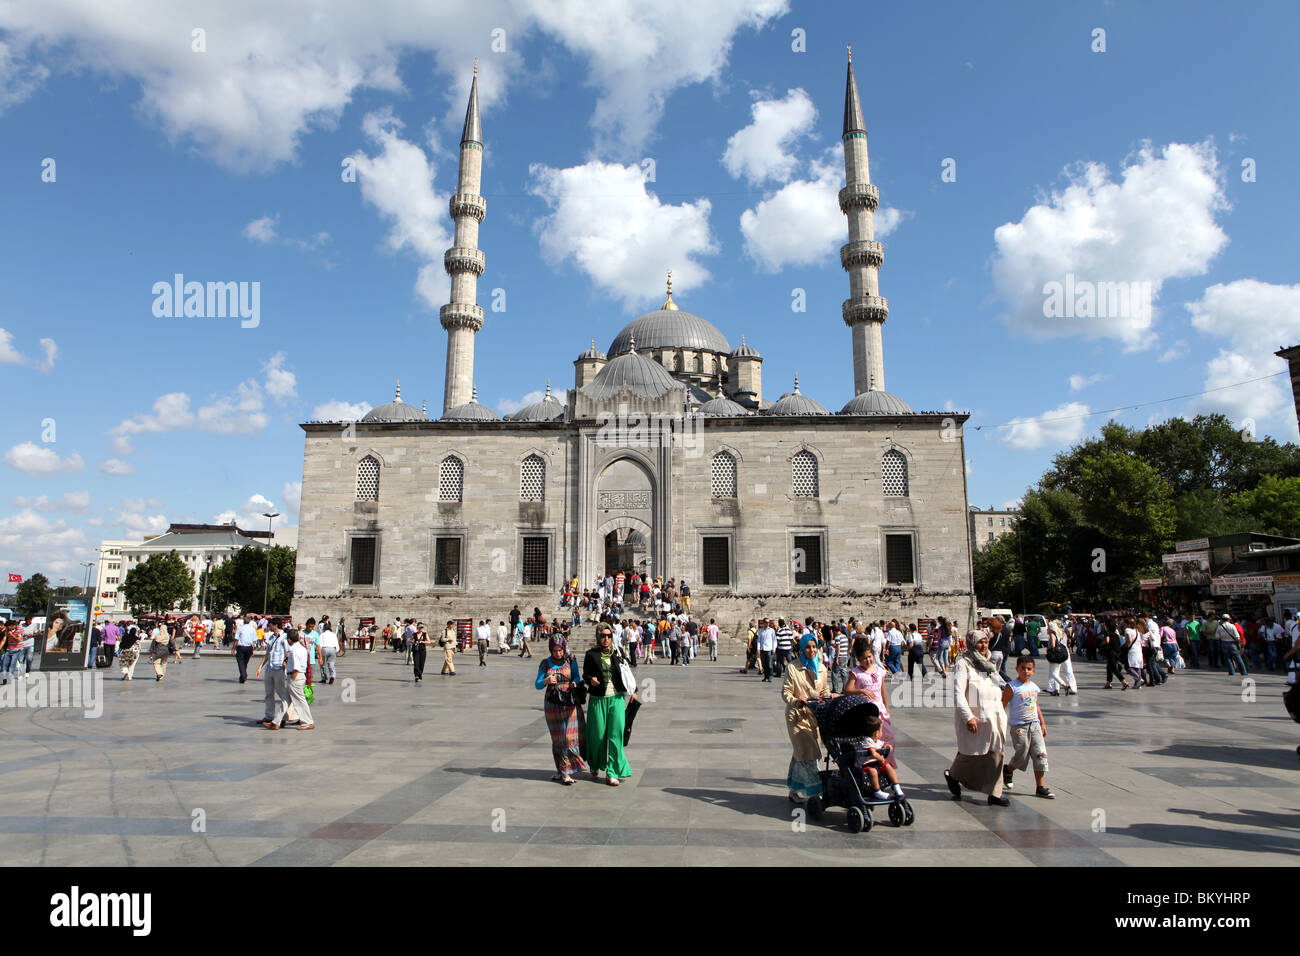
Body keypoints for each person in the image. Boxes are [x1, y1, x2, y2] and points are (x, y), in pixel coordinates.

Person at [944, 631, 1011, 806]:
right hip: (976, 717)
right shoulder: (963, 664)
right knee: (970, 755)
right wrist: (968, 717)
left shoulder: (989, 664)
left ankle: (995, 794)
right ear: (972, 644)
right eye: (980, 643)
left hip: (994, 717)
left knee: (997, 754)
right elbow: (958, 693)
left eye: (985, 642)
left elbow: (999, 685)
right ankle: (953, 776)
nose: (983, 646)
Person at [782, 633, 835, 803]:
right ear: (802, 649)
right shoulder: (793, 667)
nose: (811, 650)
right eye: (808, 647)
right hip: (797, 716)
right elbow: (786, 692)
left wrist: (829, 696)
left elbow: (824, 690)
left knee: (801, 752)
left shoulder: (821, 668)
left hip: (814, 716)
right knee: (810, 754)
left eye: (814, 647)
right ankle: (816, 793)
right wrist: (797, 701)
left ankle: (795, 790)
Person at [582, 624, 635, 786]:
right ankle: (595, 763)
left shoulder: (617, 652)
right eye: (603, 636)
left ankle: (612, 772)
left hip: (616, 698)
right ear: (598, 637)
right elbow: (585, 673)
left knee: (615, 735)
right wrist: (590, 679)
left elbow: (627, 671)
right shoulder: (591, 654)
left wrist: (634, 690)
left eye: (609, 636)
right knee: (597, 735)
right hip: (598, 699)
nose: (606, 639)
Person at [536, 635, 587, 785]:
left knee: (567, 737)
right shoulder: (545, 664)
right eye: (555, 650)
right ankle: (559, 770)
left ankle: (566, 772)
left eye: (560, 650)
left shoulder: (571, 660)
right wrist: (546, 680)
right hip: (552, 703)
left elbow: (577, 676)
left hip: (568, 701)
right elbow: (538, 684)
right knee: (557, 738)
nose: (558, 653)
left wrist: (574, 683)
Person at [1002, 654, 1054, 798]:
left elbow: (1036, 706)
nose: (1026, 671)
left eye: (1029, 669)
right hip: (1019, 726)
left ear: (1033, 671)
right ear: (1017, 669)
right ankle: (1008, 769)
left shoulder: (1034, 687)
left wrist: (1042, 723)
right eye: (1023, 668)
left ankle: (1040, 787)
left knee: (1040, 754)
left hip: (1034, 724)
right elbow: (1002, 704)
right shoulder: (1011, 687)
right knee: (1022, 753)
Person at [843, 639, 895, 768]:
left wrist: (886, 710)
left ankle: (887, 766)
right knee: (871, 740)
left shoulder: (879, 670)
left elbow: (883, 692)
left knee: (887, 738)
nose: (868, 660)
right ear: (859, 659)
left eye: (869, 657)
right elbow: (847, 690)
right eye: (864, 658)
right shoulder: (856, 673)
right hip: (866, 711)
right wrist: (860, 690)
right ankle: (872, 765)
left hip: (880, 709)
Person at [861, 714, 904, 802]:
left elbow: (883, 744)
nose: (882, 733)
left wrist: (887, 746)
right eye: (881, 731)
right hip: (867, 765)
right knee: (873, 772)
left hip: (876, 763)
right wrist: (880, 758)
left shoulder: (876, 741)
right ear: (876, 733)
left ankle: (896, 787)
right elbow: (873, 753)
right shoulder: (867, 740)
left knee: (888, 766)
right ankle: (877, 791)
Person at [256, 621, 291, 728]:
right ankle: (269, 715)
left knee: (281, 693)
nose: (268, 627)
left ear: (275, 625)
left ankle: (283, 717)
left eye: (270, 625)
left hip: (279, 668)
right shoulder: (271, 637)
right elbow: (268, 653)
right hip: (269, 668)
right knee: (269, 693)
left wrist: (285, 663)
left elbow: (288, 652)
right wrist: (260, 667)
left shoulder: (284, 637)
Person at [283, 629, 315, 730]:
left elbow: (296, 668)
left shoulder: (294, 650)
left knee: (299, 701)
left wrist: (292, 679)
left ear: (289, 640)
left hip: (295, 677)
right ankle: (278, 720)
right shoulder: (302, 648)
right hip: (301, 676)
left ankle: (307, 722)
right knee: (286, 700)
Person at [1045, 617, 1077, 696]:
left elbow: (1053, 644)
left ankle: (1057, 687)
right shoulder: (1062, 633)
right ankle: (1059, 689)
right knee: (1066, 670)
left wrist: (1048, 649)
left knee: (1055, 672)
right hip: (1063, 652)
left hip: (1057, 652)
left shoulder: (1056, 633)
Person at [233, 614, 258, 683]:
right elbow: (254, 640)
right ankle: (242, 677)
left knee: (241, 662)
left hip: (241, 647)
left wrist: (233, 648)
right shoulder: (252, 629)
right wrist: (253, 649)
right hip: (249, 647)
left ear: (243, 621)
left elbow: (236, 639)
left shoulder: (240, 628)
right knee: (245, 662)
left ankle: (244, 675)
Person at [1123, 618, 1145, 689]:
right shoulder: (1137, 631)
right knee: (1137, 666)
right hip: (1138, 650)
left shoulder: (1127, 630)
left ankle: (1138, 679)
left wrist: (1126, 645)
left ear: (1128, 624)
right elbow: (1141, 641)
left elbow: (1129, 639)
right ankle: (1138, 683)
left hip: (1132, 651)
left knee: (1128, 667)